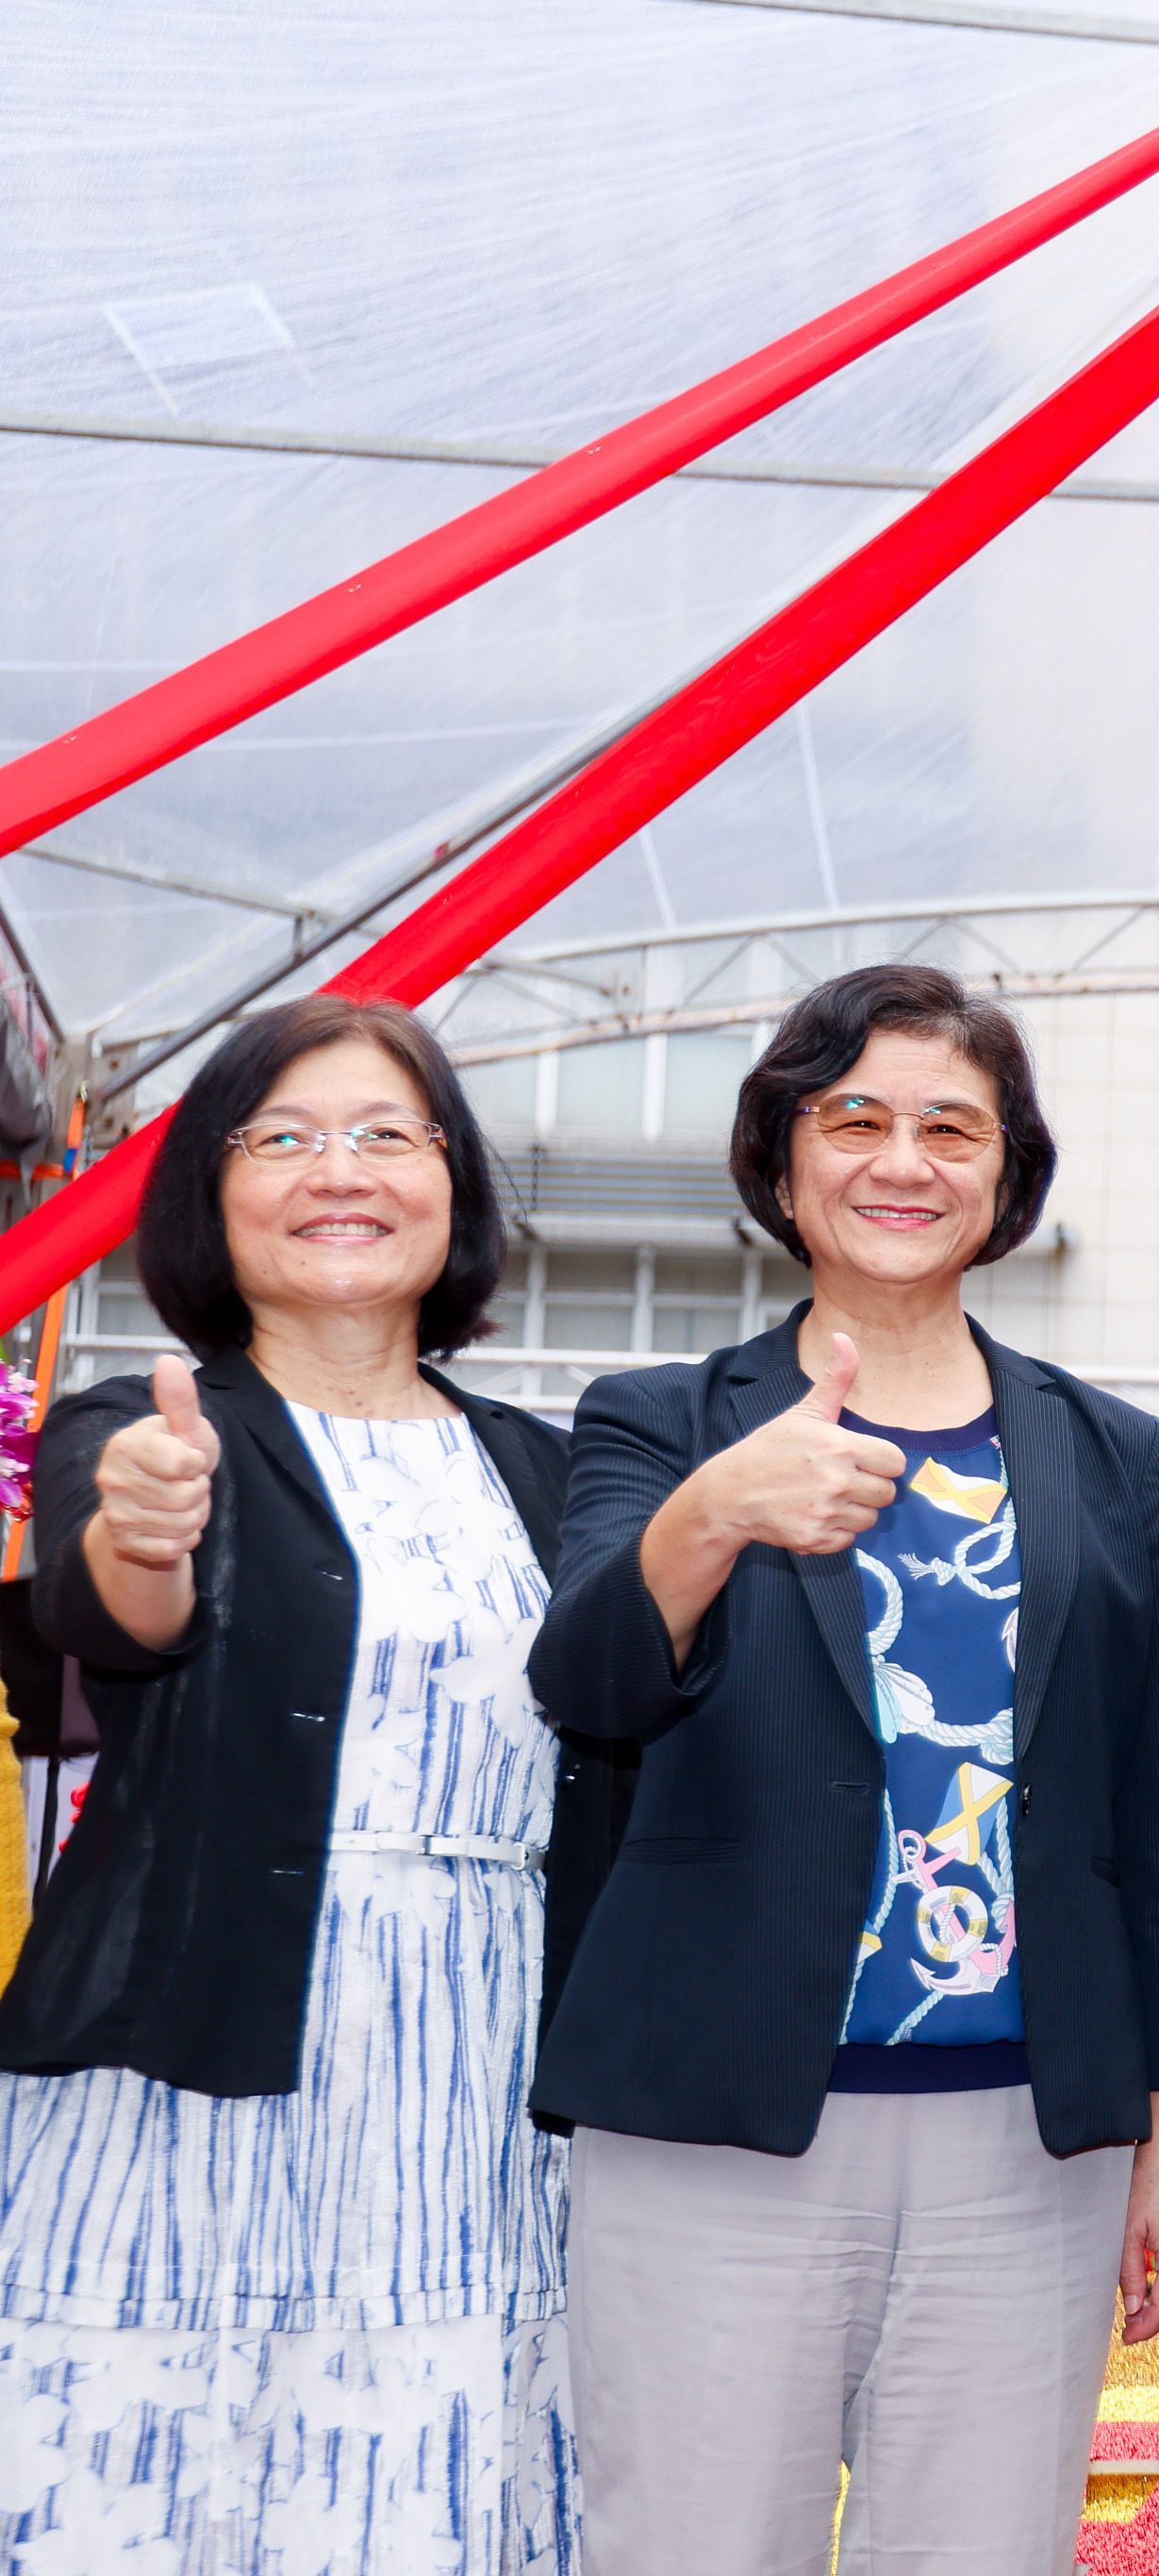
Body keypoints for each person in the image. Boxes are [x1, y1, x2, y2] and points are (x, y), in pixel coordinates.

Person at [529, 964, 1159, 2575]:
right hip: (717, 2118)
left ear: (1005, 1179)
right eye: (857, 1121)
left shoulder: (1110, 1451)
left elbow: (1151, 1816)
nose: (904, 1161)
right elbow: (593, 1684)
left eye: (952, 1128)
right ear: (783, 1162)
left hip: (1026, 2143)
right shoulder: (660, 1418)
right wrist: (718, 1508)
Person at [0, 993, 604, 2564]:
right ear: (212, 1191)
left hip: (474, 2081)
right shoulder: (132, 1425)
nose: (340, 1172)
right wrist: (143, 1534)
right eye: (284, 1139)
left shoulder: (551, 1473)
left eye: (386, 1136)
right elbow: (105, 1616)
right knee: (143, 2471)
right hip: (182, 2057)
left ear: (453, 1188)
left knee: (424, 2475)